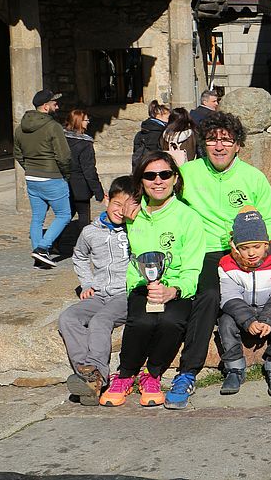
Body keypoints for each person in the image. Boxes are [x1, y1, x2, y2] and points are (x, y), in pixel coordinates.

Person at [163, 111, 271, 409]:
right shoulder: (188, 173)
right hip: (204, 250)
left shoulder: (252, 177)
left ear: (238, 145)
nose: (219, 147)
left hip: (243, 251)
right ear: (203, 144)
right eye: (212, 140)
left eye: (226, 141)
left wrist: (253, 246)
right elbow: (160, 201)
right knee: (208, 295)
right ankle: (188, 371)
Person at [100, 152, 205, 407]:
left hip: (175, 286)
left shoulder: (188, 218)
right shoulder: (134, 214)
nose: (158, 181)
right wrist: (127, 205)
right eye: (150, 176)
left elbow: (192, 269)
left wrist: (174, 290)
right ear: (141, 181)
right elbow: (106, 220)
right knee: (142, 321)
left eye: (164, 174)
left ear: (175, 178)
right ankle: (125, 375)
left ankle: (152, 374)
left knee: (171, 321)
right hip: (141, 284)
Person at [58, 176, 134, 406]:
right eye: (117, 204)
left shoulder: (136, 230)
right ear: (107, 200)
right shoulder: (90, 232)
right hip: (99, 293)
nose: (121, 211)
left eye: (128, 206)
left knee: (100, 321)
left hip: (125, 294)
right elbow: (80, 256)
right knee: (68, 318)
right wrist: (88, 283)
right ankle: (87, 372)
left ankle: (98, 375)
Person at [217, 207, 271, 397]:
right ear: (235, 247)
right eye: (244, 248)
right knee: (225, 321)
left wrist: (266, 318)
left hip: (269, 309)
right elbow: (229, 297)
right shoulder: (227, 265)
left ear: (265, 244)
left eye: (256, 247)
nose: (251, 253)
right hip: (244, 310)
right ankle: (234, 368)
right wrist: (249, 321)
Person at [14, 88, 72, 267]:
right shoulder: (53, 127)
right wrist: (66, 175)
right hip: (52, 177)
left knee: (37, 218)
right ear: (46, 107)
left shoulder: (20, 128)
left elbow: (18, 153)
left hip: (32, 178)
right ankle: (42, 248)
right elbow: (64, 156)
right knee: (64, 215)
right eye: (54, 103)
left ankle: (39, 253)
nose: (58, 105)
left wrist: (30, 168)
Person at [61, 109, 105, 247]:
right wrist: (99, 192)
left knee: (65, 216)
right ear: (79, 122)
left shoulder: (61, 139)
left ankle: (53, 242)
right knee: (84, 217)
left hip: (64, 183)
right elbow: (89, 170)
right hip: (80, 185)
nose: (88, 123)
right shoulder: (85, 144)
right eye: (86, 120)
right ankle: (85, 246)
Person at [132, 100, 170, 169]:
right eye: (168, 118)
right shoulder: (161, 133)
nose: (169, 120)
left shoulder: (140, 133)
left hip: (141, 168)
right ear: (158, 116)